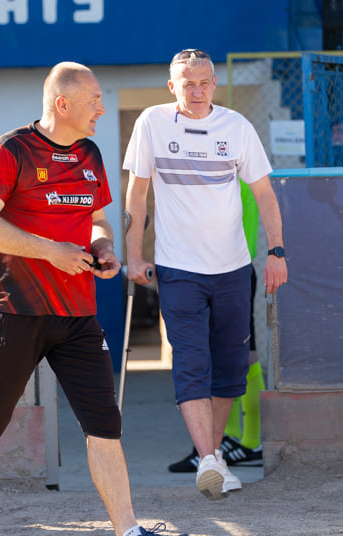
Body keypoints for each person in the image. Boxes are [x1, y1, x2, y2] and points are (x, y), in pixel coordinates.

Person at [0, 62, 192, 536]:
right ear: (64, 103)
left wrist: (103, 248)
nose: (102, 107)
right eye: (95, 98)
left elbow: (97, 218)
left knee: (105, 424)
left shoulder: (90, 154)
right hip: (17, 311)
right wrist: (49, 252)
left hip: (78, 314)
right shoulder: (9, 150)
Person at [123, 49, 287, 501]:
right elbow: (137, 196)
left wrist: (276, 252)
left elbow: (266, 195)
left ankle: (210, 457)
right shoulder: (152, 124)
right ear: (171, 85)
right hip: (178, 270)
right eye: (186, 83)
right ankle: (210, 458)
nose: (196, 91)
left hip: (234, 269)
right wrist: (134, 257)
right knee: (192, 362)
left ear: (215, 84)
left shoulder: (237, 127)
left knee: (231, 370)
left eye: (203, 82)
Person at [168, 181, 265, 473]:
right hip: (229, 272)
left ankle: (246, 442)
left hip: (225, 272)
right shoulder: (236, 175)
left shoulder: (231, 176)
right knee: (236, 356)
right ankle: (232, 440)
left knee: (238, 356)